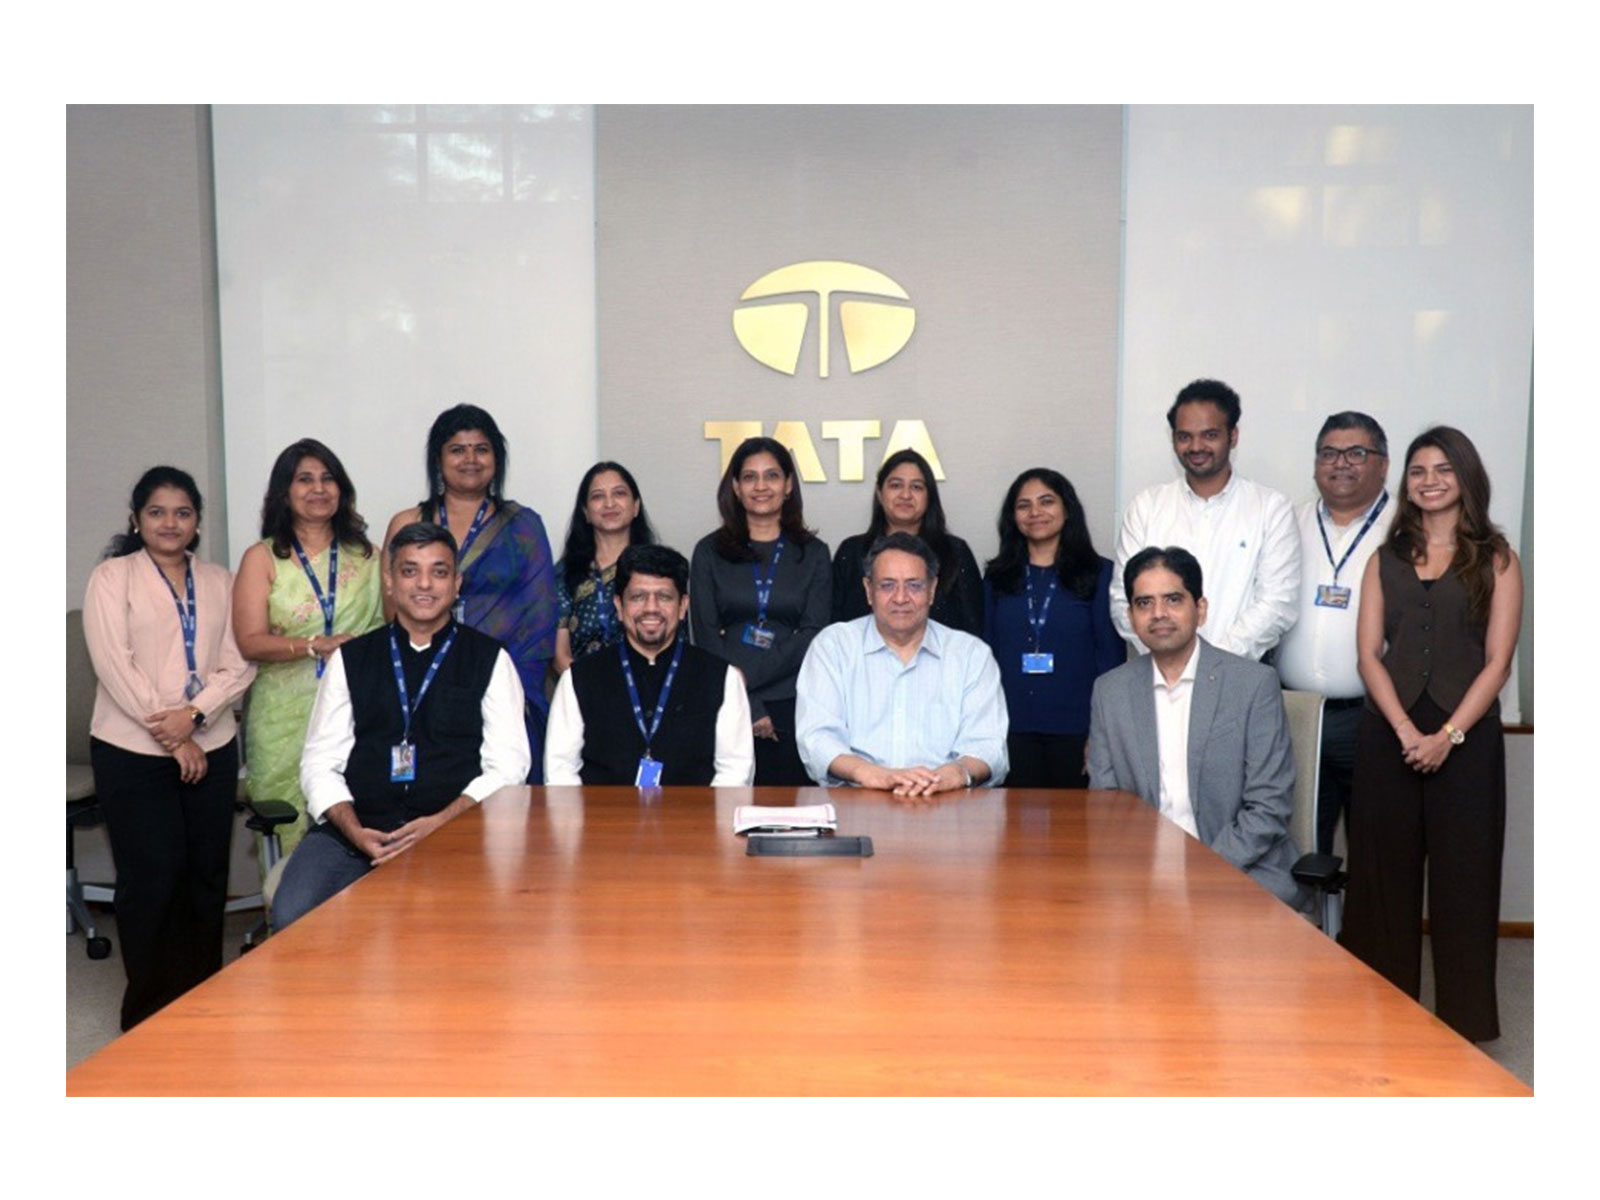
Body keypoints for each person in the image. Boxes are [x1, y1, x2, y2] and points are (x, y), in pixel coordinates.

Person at [1339, 426, 1521, 1043]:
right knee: (1382, 884)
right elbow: (1368, 653)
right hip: (1387, 735)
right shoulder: (1383, 559)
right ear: (1405, 482)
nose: (1430, 480)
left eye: (1444, 468)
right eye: (1418, 470)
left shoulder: (1496, 558)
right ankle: (1382, 1017)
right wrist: (1403, 730)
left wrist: (1446, 735)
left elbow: (1498, 661)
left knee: (1464, 885)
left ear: (1466, 477)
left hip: (1466, 744)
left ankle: (1462, 1027)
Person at [271, 522, 532, 929]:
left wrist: (442, 822)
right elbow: (320, 763)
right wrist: (355, 830)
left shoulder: (490, 659)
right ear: (390, 582)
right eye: (410, 571)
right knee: (294, 913)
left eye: (439, 571)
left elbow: (508, 765)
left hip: (456, 836)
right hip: (356, 835)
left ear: (457, 583)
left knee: (459, 927)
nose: (424, 584)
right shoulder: (351, 659)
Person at [82, 467, 257, 1029]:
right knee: (152, 879)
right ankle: (148, 1014)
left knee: (205, 877)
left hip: (212, 739)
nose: (170, 523)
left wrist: (196, 717)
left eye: (182, 512)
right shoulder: (112, 578)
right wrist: (172, 733)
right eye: (157, 512)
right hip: (131, 747)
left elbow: (239, 663)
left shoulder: (221, 581)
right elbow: (114, 665)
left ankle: (202, 1001)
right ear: (136, 519)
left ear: (197, 522)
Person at [1088, 546, 1305, 907]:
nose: (1159, 614)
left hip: (1240, 869)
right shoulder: (1110, 691)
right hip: (1141, 875)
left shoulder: (1253, 684)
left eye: (1173, 599)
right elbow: (1106, 805)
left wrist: (1193, 871)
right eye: (1144, 603)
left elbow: (1268, 807)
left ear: (1199, 610)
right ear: (1130, 616)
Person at [383, 404, 556, 780]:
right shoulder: (408, 522)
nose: (470, 459)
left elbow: (540, 621)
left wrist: (506, 689)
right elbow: (393, 611)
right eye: (458, 449)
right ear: (438, 459)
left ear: (497, 457)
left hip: (502, 682)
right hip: (423, 682)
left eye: (482, 448)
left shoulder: (524, 526)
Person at [232, 438, 384, 858]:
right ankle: (286, 918)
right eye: (305, 479)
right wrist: (314, 645)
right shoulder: (261, 558)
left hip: (356, 710)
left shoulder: (372, 558)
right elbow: (249, 640)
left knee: (358, 820)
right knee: (288, 827)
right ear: (284, 492)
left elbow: (395, 630)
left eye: (328, 478)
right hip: (283, 716)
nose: (319, 488)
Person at [796, 532, 1009, 794]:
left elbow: (989, 745)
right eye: (887, 585)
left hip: (945, 804)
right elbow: (816, 737)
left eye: (914, 585)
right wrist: (872, 775)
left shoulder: (971, 655)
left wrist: (953, 774)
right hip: (856, 799)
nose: (900, 598)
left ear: (932, 590)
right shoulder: (833, 646)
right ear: (868, 590)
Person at [1111, 379, 1299, 660]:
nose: (1196, 446)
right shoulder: (1146, 507)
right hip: (1160, 675)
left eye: (1209, 435)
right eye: (1184, 436)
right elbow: (1122, 599)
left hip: (1239, 676)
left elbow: (1277, 603)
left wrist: (1212, 663)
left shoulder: (1271, 508)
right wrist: (1171, 657)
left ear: (1233, 436)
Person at [1274, 413, 1393, 854]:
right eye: (1329, 453)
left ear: (1383, 463)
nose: (1340, 463)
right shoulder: (1288, 522)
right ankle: (1313, 927)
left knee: (1375, 845)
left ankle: (1363, 927)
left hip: (1374, 717)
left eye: (1356, 453)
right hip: (1298, 713)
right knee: (1301, 847)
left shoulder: (1406, 528)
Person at [546, 544, 755, 785]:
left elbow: (736, 771)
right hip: (603, 820)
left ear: (683, 606)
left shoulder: (721, 677)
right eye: (638, 597)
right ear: (619, 606)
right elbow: (560, 770)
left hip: (694, 819)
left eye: (664, 597)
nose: (651, 608)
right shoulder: (579, 678)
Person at [690, 436, 831, 785]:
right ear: (736, 487)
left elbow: (814, 633)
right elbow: (705, 635)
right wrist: (745, 699)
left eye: (771, 476)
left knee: (794, 817)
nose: (761, 486)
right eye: (750, 477)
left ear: (788, 485)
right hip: (726, 701)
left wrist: (745, 681)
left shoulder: (813, 553)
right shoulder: (709, 552)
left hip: (793, 702)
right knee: (724, 817)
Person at [983, 468, 1124, 788]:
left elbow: (1111, 661)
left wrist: (1101, 734)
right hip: (1010, 728)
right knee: (1013, 832)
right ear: (1012, 516)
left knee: (1073, 832)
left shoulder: (1100, 574)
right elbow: (985, 654)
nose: (1036, 512)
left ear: (1067, 509)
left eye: (1046, 501)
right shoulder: (997, 578)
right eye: (1024, 505)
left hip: (1077, 729)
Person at [830, 449, 983, 635]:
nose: (905, 495)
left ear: (929, 496)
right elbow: (835, 628)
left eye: (917, 487)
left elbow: (974, 629)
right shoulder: (852, 552)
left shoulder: (955, 552)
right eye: (895, 485)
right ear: (879, 493)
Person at [552, 461, 657, 676]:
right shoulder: (565, 574)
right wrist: (596, 689)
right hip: (584, 691)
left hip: (651, 691)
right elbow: (559, 656)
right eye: (598, 496)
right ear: (586, 512)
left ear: (636, 506)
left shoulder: (659, 569)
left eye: (619, 493)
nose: (609, 503)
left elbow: (676, 644)